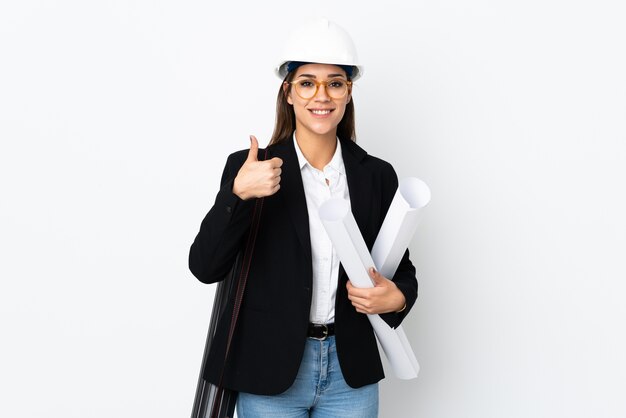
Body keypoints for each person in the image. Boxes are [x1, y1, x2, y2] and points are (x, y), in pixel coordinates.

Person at [189, 18, 418, 418]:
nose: (321, 95)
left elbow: (402, 271)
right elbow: (205, 267)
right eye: (307, 82)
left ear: (348, 93)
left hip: (350, 374)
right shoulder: (251, 169)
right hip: (270, 370)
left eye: (335, 82)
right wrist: (237, 195)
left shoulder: (376, 176)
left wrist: (395, 297)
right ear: (289, 92)